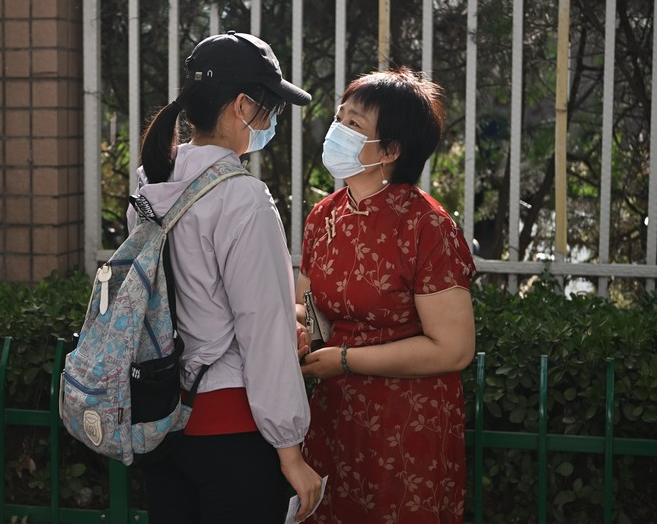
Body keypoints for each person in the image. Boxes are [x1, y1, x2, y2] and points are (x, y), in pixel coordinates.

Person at [128, 31, 322, 524]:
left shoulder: (150, 186)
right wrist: (290, 451)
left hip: (162, 419)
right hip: (231, 426)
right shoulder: (243, 198)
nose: (271, 120)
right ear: (241, 106)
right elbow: (264, 331)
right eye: (269, 107)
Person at [296, 67, 477, 523]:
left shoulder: (427, 224)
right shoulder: (322, 216)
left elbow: (453, 348)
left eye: (354, 124)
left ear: (391, 150)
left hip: (406, 420)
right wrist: (296, 328)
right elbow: (310, 309)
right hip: (334, 412)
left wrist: (345, 360)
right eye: (339, 118)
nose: (337, 130)